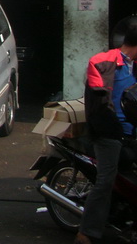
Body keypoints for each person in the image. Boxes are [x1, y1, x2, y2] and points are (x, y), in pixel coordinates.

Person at [75, 18, 137, 244]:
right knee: (105, 181)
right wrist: (113, 128)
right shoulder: (103, 62)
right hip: (108, 133)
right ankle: (86, 233)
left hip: (131, 131)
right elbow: (100, 103)